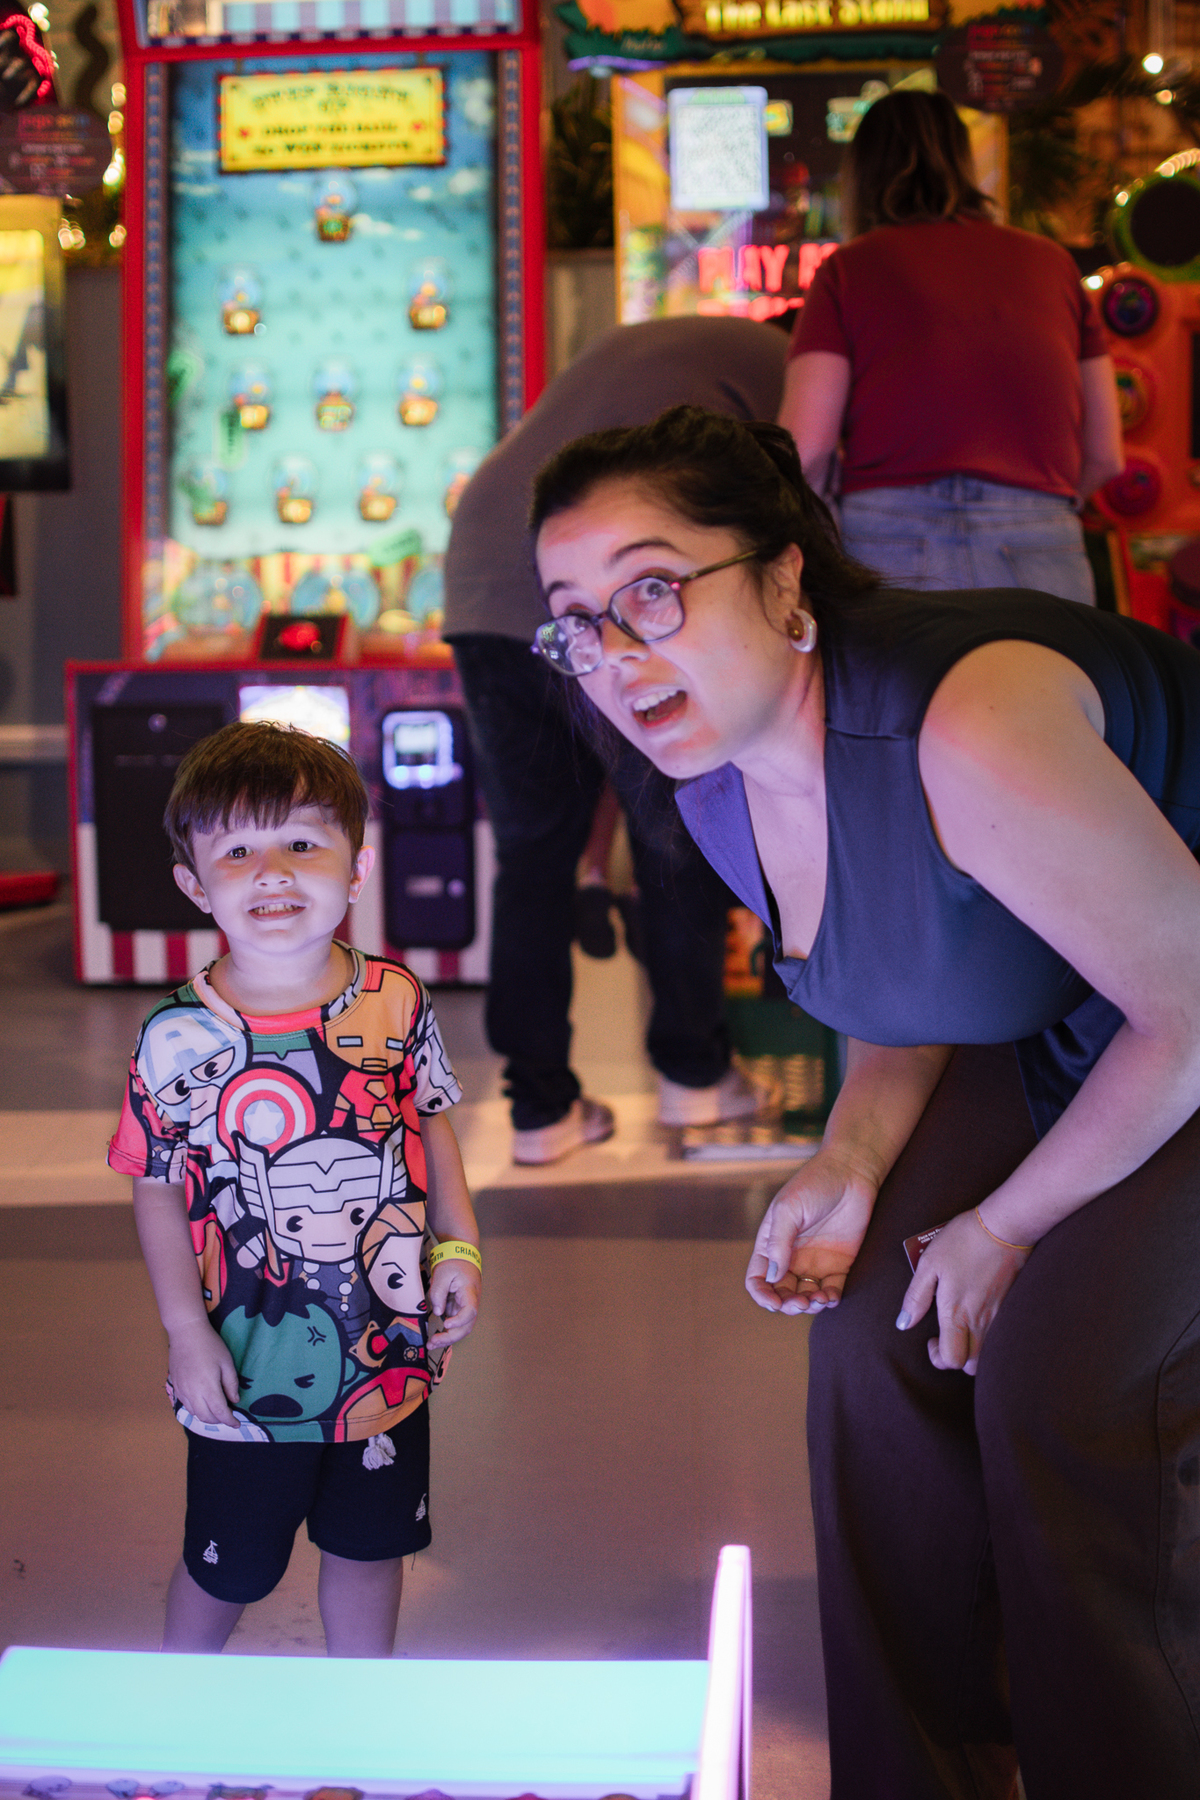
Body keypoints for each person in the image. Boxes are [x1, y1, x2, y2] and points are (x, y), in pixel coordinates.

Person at [528, 405, 1200, 1797]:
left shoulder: (971, 723)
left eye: (654, 587)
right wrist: (853, 1152)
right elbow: (908, 969)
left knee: (1059, 1389)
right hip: (1071, 1008)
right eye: (576, 620)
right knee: (872, 1344)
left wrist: (1005, 1226)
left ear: (785, 579)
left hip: (1180, 1012)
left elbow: (1190, 1009)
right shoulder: (709, 778)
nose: (615, 649)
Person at [107, 722, 481, 1657]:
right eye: (238, 849)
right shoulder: (175, 1035)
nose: (273, 871)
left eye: (304, 842)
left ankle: (357, 1742)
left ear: (356, 868)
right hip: (240, 1370)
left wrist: (460, 1247)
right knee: (227, 1564)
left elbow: (432, 1122)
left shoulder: (397, 1000)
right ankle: (176, 1725)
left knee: (371, 1545)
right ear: (196, 884)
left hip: (387, 1361)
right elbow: (152, 1184)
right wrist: (186, 1332)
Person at [443, 315, 789, 1165]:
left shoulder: (652, 340)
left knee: (530, 859)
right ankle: (695, 1076)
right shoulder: (794, 365)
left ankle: (539, 1111)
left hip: (483, 578)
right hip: (601, 593)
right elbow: (797, 511)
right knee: (672, 841)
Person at [779, 88, 1124, 603]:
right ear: (963, 161)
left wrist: (831, 526)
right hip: (1038, 536)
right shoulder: (1054, 265)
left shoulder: (847, 270)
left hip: (887, 539)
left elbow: (804, 451)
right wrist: (1028, 510)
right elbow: (1106, 456)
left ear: (862, 175)